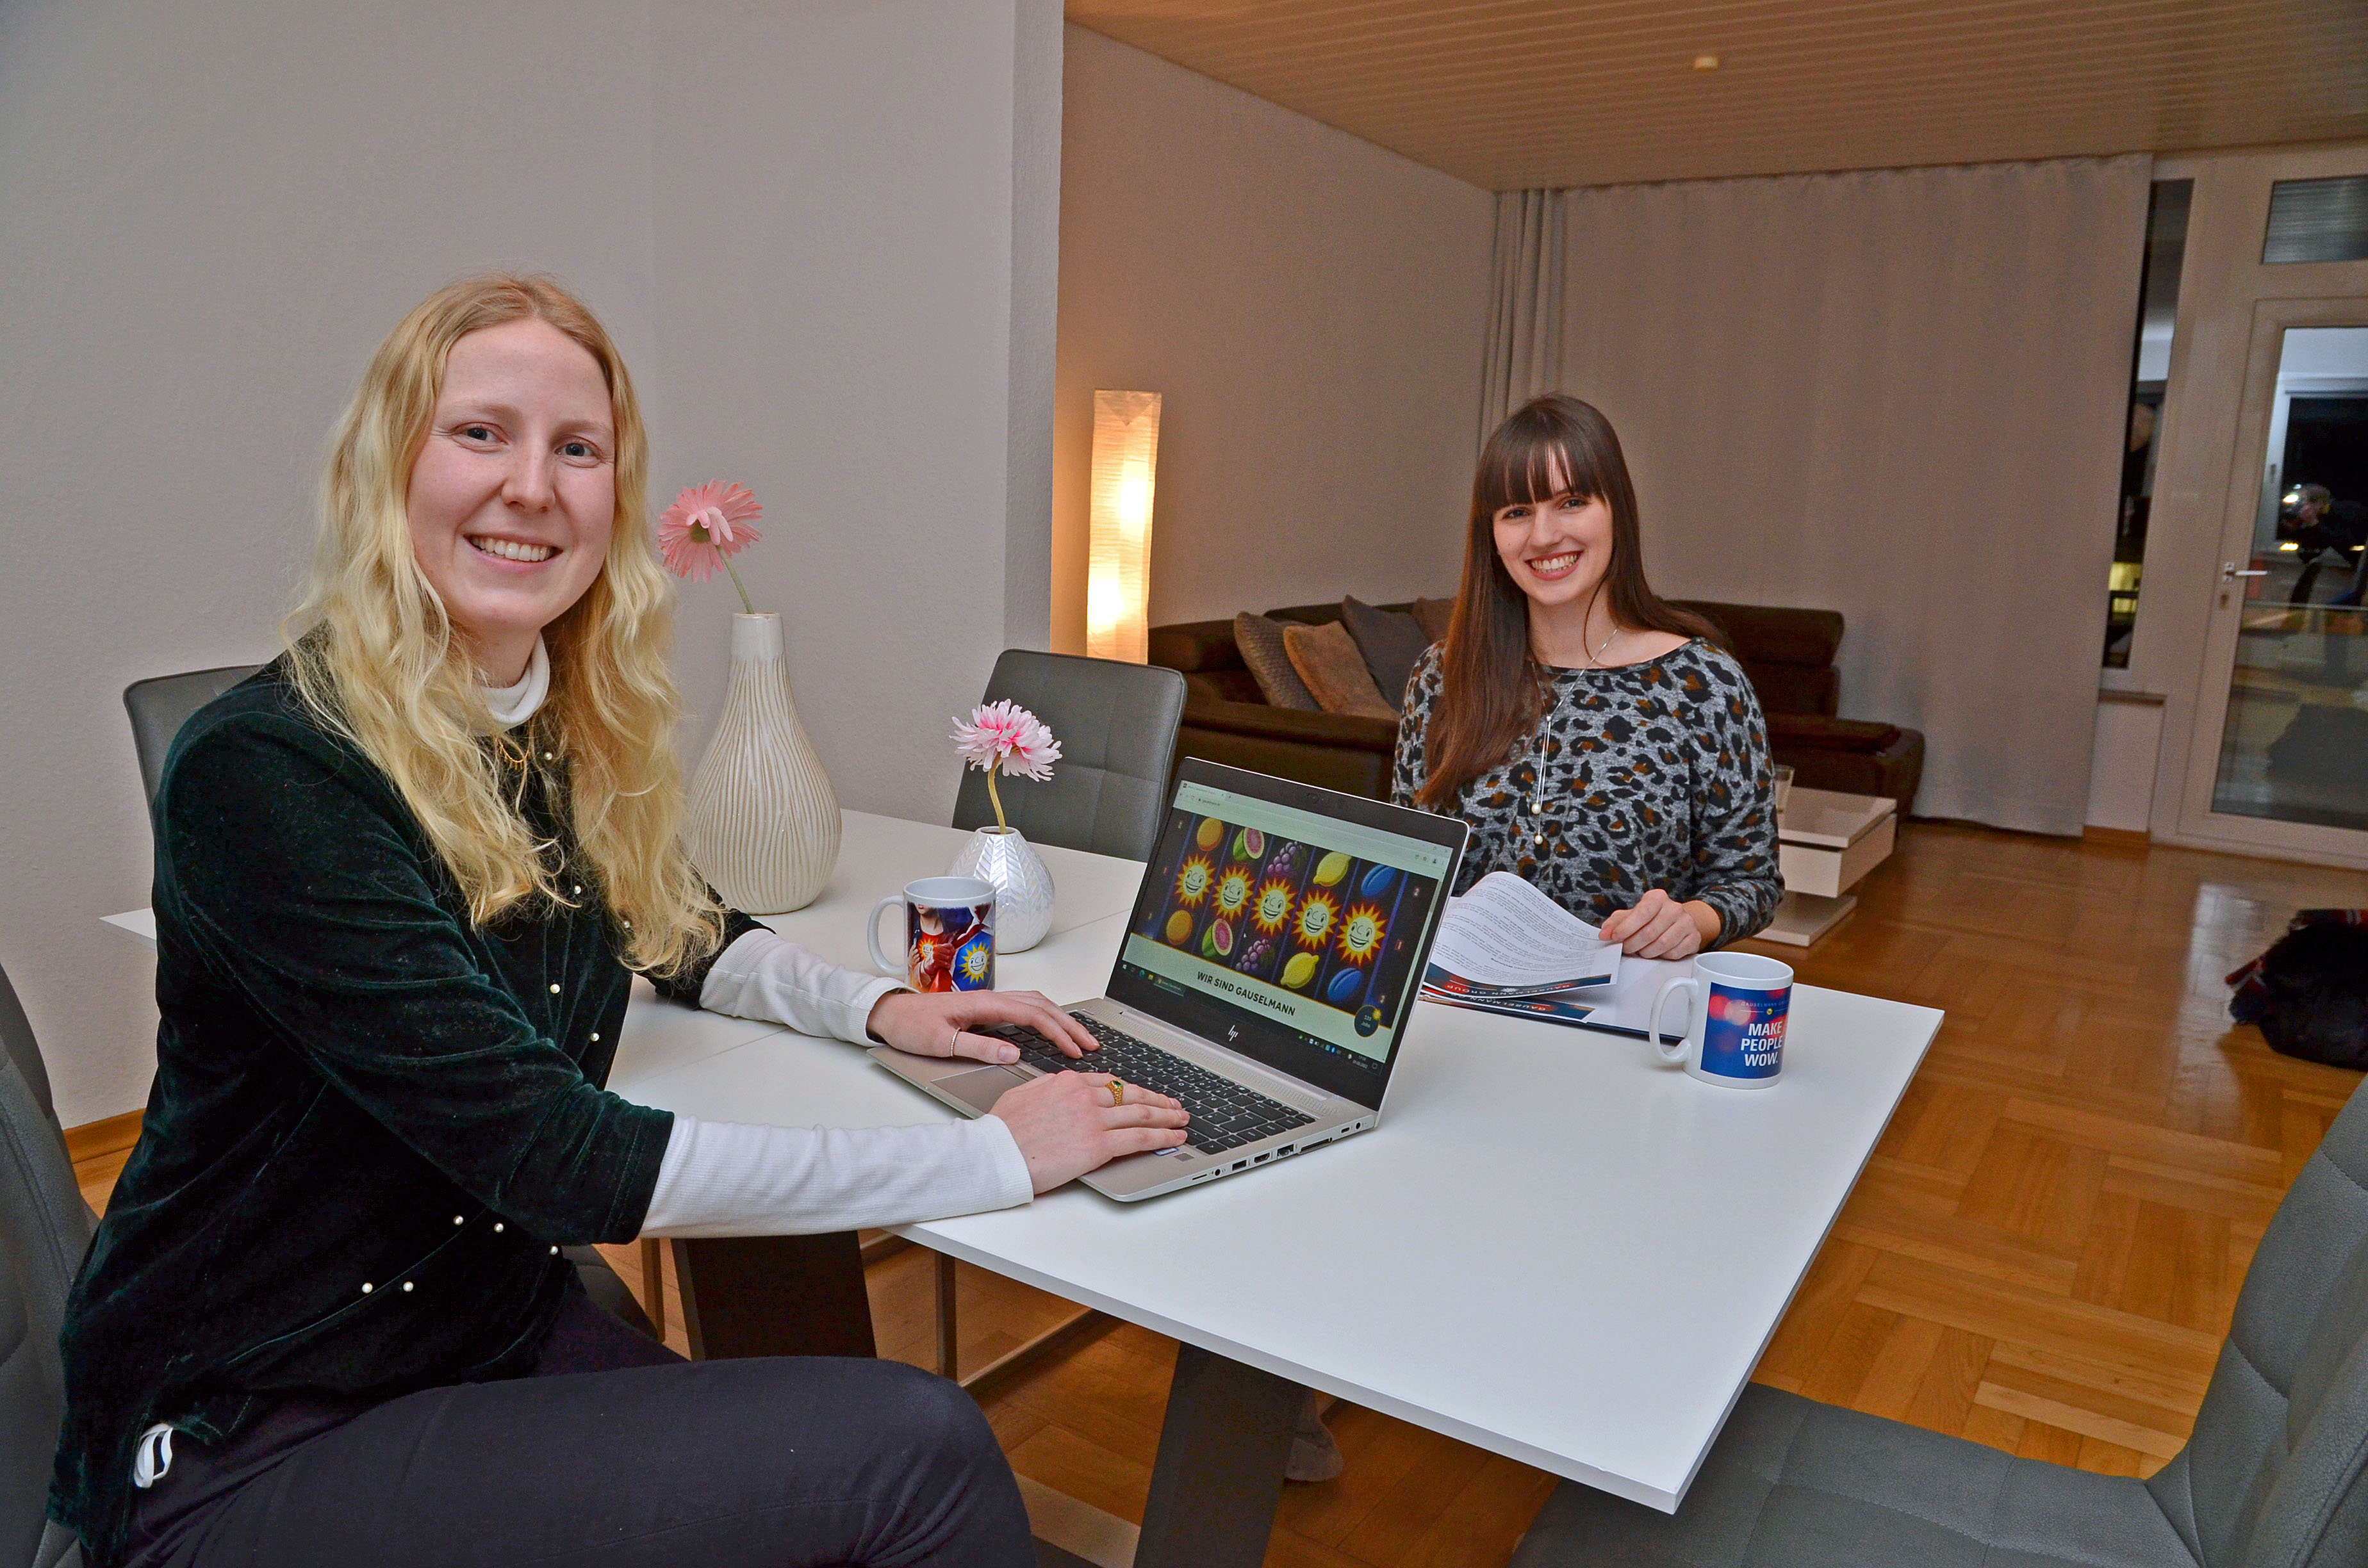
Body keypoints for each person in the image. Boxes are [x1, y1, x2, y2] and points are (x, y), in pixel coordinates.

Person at [49, 274, 1192, 1568]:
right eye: (481, 432)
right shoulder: (266, 770)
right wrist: (999, 1158)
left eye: (577, 449)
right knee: (916, 1453)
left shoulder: (540, 735)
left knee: (822, 1475)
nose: (533, 484)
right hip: (248, 1432)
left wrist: (879, 1004)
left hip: (465, 1327)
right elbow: (561, 1161)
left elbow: (679, 926)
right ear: (388, 466)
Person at [1392, 394, 1782, 957]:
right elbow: (1406, 864)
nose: (1544, 536)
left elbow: (1751, 881)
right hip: (1458, 1008)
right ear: (1492, 535)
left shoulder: (1704, 684)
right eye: (1517, 512)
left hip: (1626, 1012)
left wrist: (1692, 922)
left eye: (1571, 502)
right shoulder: (1441, 677)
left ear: (1616, 509)